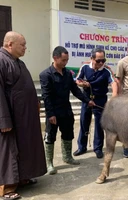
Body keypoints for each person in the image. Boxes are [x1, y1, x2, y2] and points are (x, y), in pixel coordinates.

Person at [0, 31, 47, 199]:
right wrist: (3, 119)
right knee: (10, 150)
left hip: (24, 116)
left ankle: (22, 178)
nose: (25, 48)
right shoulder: (1, 61)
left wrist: (35, 102)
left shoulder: (18, 62)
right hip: (10, 117)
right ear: (10, 44)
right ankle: (7, 189)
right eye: (23, 44)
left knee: (26, 146)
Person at [39, 46, 95, 175]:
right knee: (50, 137)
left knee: (68, 134)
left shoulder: (68, 73)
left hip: (66, 110)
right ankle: (49, 163)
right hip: (53, 112)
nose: (65, 63)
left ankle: (67, 157)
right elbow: (46, 96)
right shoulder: (45, 75)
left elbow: (75, 90)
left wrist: (87, 100)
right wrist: (50, 114)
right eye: (63, 60)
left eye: (67, 60)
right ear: (55, 58)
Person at [73, 48, 118, 159]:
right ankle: (82, 147)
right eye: (98, 61)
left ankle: (98, 148)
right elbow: (77, 80)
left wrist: (114, 97)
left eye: (103, 60)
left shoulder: (106, 71)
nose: (101, 63)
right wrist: (83, 84)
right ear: (92, 58)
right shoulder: (85, 68)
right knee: (84, 122)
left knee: (99, 125)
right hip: (87, 100)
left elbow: (114, 83)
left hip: (100, 100)